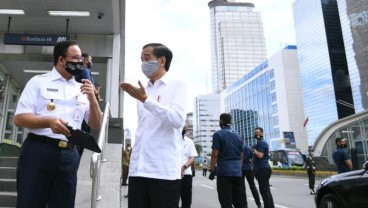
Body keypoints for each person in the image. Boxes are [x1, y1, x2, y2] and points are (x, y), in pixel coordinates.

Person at [14, 40, 102, 208]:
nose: (80, 63)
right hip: (38, 152)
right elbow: (19, 118)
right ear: (61, 60)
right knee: (30, 202)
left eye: (81, 59)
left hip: (69, 155)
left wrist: (92, 98)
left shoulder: (82, 89)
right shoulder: (38, 82)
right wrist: (49, 121)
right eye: (75, 58)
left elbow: (95, 124)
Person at [119, 43, 188, 208]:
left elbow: (177, 119)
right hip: (138, 170)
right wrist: (144, 98)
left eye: (147, 58)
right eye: (141, 59)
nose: (143, 63)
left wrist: (146, 101)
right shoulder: (144, 90)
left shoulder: (177, 85)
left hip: (162, 171)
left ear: (162, 60)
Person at [209, 113, 246, 208]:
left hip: (224, 173)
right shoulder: (238, 135)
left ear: (221, 121)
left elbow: (215, 154)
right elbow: (241, 156)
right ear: (231, 121)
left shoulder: (218, 134)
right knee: (239, 201)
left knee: (226, 202)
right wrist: (238, 169)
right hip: (237, 173)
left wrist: (212, 170)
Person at [253, 127, 274, 208]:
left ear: (262, 133)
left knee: (264, 191)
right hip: (262, 169)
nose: (256, 134)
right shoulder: (260, 142)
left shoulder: (261, 143)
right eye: (255, 132)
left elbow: (260, 155)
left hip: (263, 169)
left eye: (258, 132)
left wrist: (254, 149)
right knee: (266, 190)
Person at [180, 125, 198, 208]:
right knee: (171, 200)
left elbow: (192, 157)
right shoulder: (169, 140)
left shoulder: (189, 142)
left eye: (185, 127)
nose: (185, 128)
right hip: (171, 175)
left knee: (186, 201)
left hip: (186, 175)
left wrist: (183, 167)